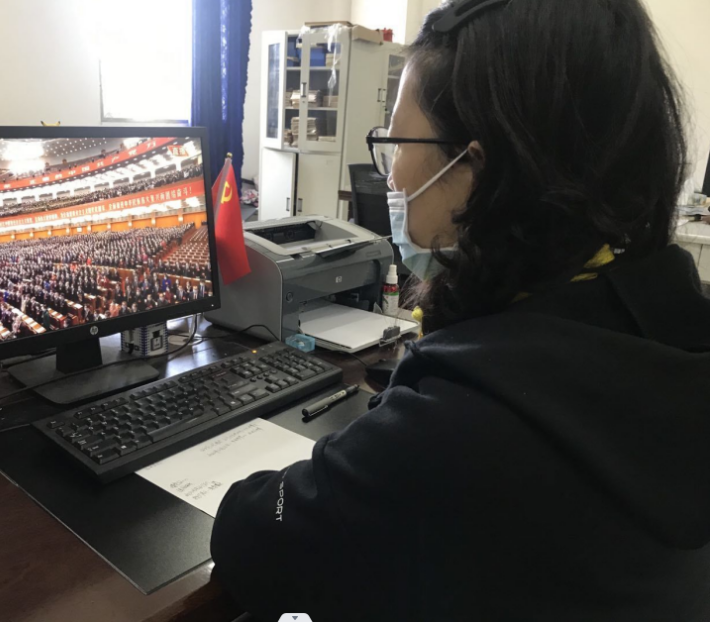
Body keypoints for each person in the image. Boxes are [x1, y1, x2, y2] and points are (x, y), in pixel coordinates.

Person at [210, 1, 710, 620]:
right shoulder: (672, 329)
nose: (392, 175)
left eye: (397, 142)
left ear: (477, 166)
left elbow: (252, 538)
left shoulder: (460, 424)